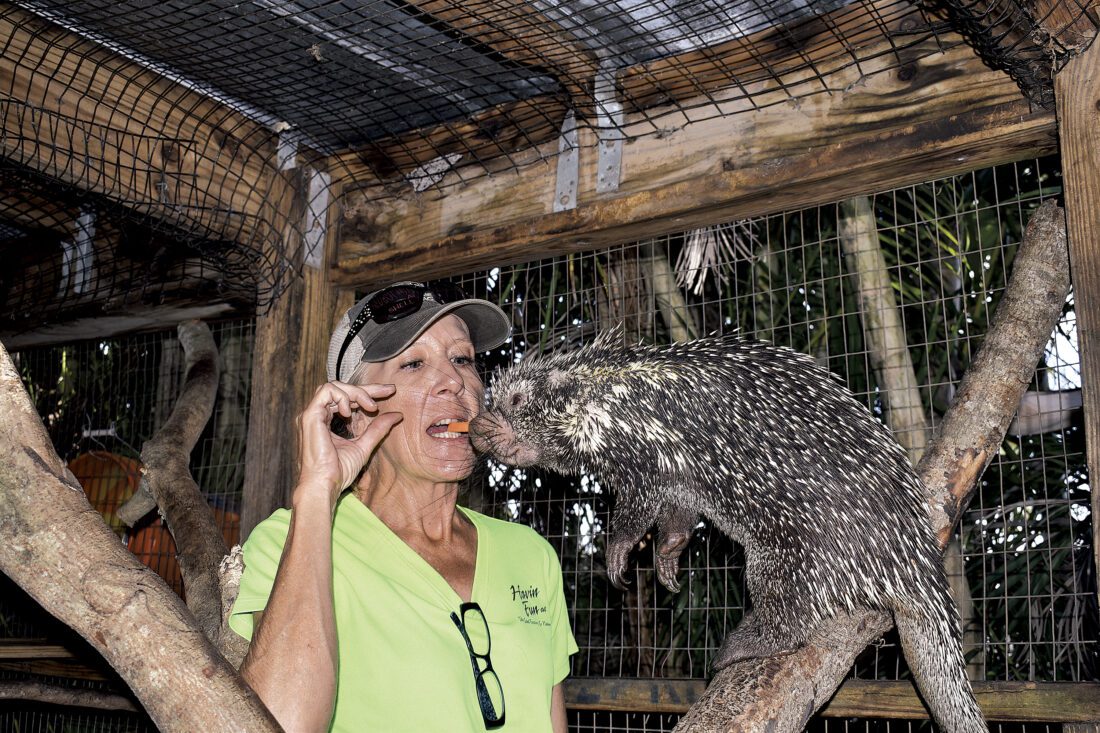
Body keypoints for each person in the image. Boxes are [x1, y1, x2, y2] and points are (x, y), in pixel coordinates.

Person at [229, 281, 578, 732]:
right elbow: (280, 724)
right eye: (413, 363)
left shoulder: (532, 556)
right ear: (355, 410)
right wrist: (316, 491)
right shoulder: (291, 542)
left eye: (462, 359)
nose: (454, 382)